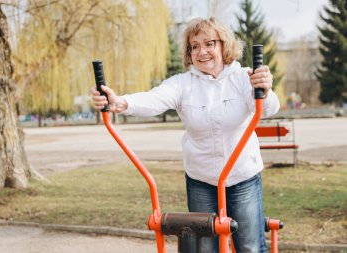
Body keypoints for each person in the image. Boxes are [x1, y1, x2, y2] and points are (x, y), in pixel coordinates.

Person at [91, 17, 279, 253]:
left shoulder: (243, 78)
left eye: (209, 44)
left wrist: (266, 89)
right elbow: (153, 98)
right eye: (195, 46)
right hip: (202, 178)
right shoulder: (182, 84)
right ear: (189, 53)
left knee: (250, 245)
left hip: (242, 175)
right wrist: (120, 102)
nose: (202, 51)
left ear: (223, 45)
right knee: (205, 247)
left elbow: (270, 109)